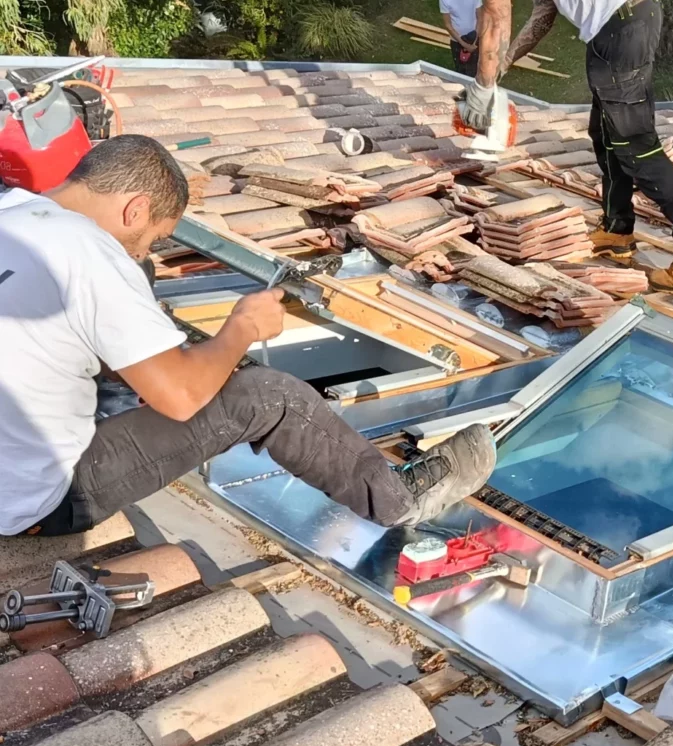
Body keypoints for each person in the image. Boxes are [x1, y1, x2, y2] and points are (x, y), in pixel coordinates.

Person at [0, 135, 496, 538]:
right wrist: (240, 329)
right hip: (34, 501)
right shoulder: (91, 254)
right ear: (134, 209)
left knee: (139, 295)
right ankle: (400, 500)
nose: (139, 253)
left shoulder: (14, 216)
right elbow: (179, 398)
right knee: (268, 396)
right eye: (150, 237)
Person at [464, 0, 673, 292]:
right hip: (617, 27)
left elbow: (496, 21)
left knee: (637, 148)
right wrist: (506, 61)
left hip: (623, 27)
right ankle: (617, 230)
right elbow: (544, 13)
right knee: (605, 134)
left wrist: (481, 91)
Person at [441, 0, 483, 77]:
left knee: (474, 69)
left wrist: (474, 41)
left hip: (474, 39)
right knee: (460, 71)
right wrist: (464, 44)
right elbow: (448, 25)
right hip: (457, 41)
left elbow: (480, 18)